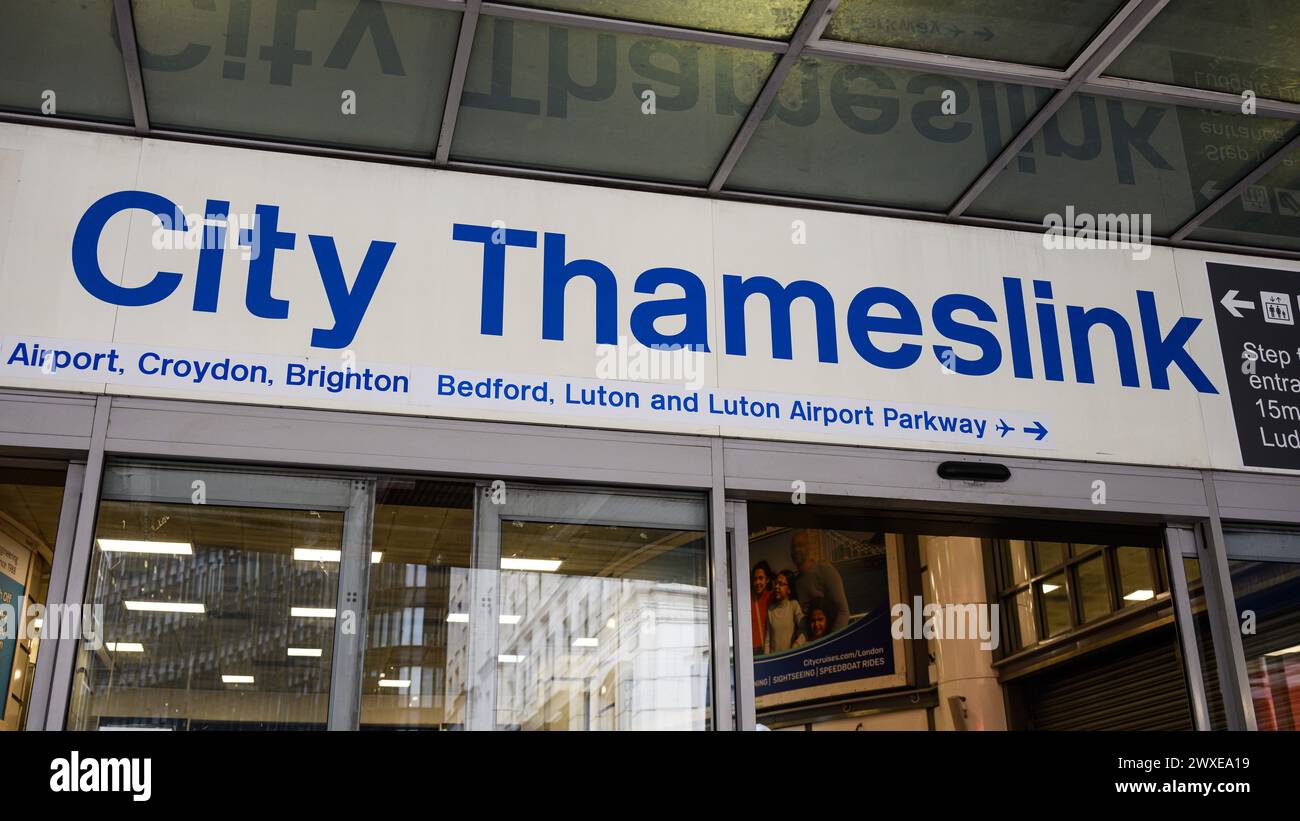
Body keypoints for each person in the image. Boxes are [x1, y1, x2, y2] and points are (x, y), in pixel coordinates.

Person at [790, 529, 850, 633]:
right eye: (793, 547)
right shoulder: (796, 582)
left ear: (809, 548)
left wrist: (832, 641)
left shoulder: (825, 570)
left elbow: (844, 612)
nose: (796, 550)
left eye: (800, 545)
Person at [764, 570, 805, 654]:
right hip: (775, 661)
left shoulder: (794, 606)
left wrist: (795, 647)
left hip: (790, 659)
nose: (776, 587)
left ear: (789, 590)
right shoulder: (771, 610)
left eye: (781, 584)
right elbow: (768, 640)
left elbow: (804, 630)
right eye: (776, 583)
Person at [750, 561, 773, 653]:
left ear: (767, 580)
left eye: (761, 578)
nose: (757, 582)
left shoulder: (773, 597)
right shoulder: (747, 599)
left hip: (769, 648)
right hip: (751, 649)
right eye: (755, 579)